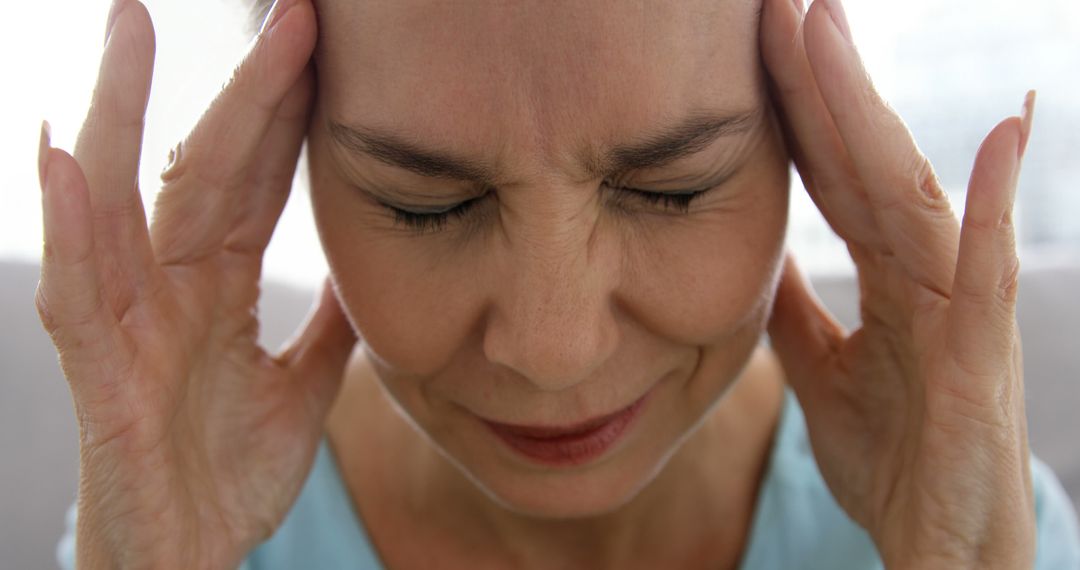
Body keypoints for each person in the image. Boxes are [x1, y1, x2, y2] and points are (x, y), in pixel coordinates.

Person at [38, 0, 1080, 567]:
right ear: (290, 154)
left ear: (807, 132)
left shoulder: (974, 516)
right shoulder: (185, 530)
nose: (554, 348)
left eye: (670, 189)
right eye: (426, 206)